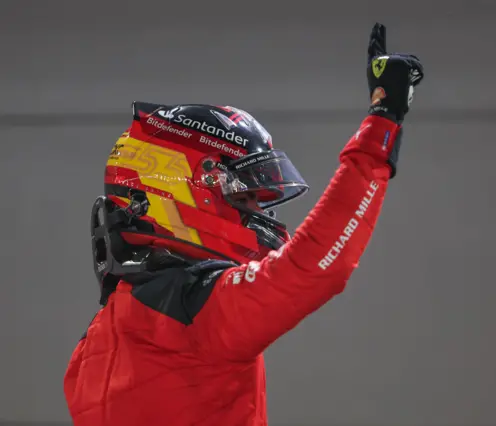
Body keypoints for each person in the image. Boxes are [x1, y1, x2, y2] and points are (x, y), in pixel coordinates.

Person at [63, 22, 424, 426]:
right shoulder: (195, 311)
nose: (259, 212)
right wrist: (383, 121)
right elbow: (315, 267)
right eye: (243, 196)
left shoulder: (89, 349)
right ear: (184, 189)